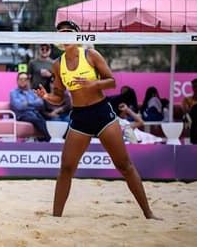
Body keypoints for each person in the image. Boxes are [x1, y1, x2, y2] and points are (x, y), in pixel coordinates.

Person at [34, 20, 158, 219]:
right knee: (66, 168)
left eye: (67, 32)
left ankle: (148, 213)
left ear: (76, 34)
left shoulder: (90, 55)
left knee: (124, 165)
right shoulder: (58, 64)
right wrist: (47, 97)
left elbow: (112, 82)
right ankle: (55, 218)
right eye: (60, 33)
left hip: (102, 114)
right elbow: (58, 95)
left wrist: (93, 84)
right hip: (80, 117)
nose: (64, 36)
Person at [10, 72, 50, 141]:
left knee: (50, 120)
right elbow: (19, 107)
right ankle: (50, 139)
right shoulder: (13, 92)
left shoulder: (31, 92)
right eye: (20, 79)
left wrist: (28, 103)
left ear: (28, 81)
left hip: (35, 114)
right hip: (22, 115)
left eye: (25, 79)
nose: (22, 80)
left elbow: (41, 103)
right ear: (17, 81)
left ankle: (45, 141)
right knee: (38, 120)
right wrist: (34, 105)